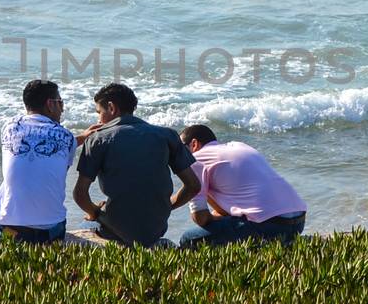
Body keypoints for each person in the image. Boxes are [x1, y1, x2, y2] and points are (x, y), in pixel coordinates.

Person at [73, 82, 200, 247]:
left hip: (114, 229)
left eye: (99, 113)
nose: (99, 120)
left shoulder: (98, 139)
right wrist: (166, 207)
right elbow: (193, 186)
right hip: (156, 228)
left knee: (85, 225)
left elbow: (80, 194)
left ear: (111, 108)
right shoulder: (167, 135)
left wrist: (96, 213)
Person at [178, 124, 307, 245]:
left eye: (180, 149)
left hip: (269, 227)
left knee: (188, 239)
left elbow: (200, 219)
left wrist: (212, 218)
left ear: (194, 144)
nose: (178, 157)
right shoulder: (239, 146)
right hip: (298, 222)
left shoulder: (195, 158)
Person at [0, 79, 76, 243]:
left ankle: (4, 237)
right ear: (50, 104)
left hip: (11, 232)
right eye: (60, 103)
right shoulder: (68, 137)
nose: (62, 109)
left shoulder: (9, 128)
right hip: (51, 232)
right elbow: (55, 171)